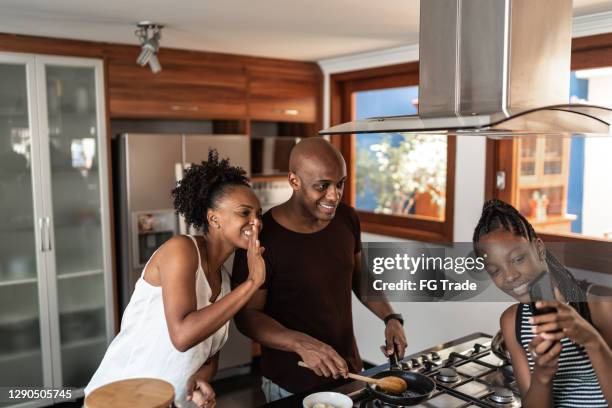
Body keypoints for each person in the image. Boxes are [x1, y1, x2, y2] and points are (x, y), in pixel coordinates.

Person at [85, 150, 266, 408]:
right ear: (213, 218)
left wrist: (199, 381)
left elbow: (208, 358)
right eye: (244, 213)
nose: (255, 222)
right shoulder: (181, 250)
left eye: (258, 214)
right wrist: (252, 283)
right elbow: (182, 336)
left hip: (171, 402)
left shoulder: (225, 282)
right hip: (122, 397)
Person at [232, 137, 407, 402]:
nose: (334, 195)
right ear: (294, 181)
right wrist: (300, 343)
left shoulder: (347, 218)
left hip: (349, 373)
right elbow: (247, 317)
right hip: (291, 383)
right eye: (322, 186)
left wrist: (391, 317)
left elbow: (358, 275)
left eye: (340, 184)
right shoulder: (263, 237)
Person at [473, 199, 611, 407]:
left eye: (518, 259)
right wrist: (542, 374)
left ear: (538, 249)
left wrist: (591, 340)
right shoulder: (512, 322)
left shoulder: (600, 304)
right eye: (495, 270)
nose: (509, 276)